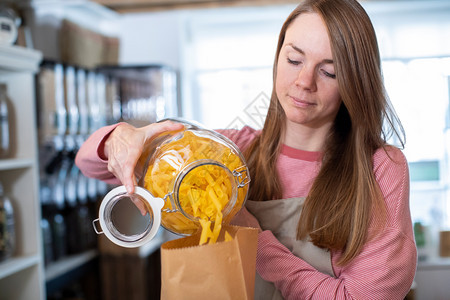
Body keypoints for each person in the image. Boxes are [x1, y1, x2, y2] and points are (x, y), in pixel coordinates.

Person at [75, 0, 417, 298]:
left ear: (356, 81)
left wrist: (253, 237)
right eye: (294, 61)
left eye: (329, 72)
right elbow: (90, 164)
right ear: (278, 57)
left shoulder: (381, 168)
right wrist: (121, 137)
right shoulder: (227, 153)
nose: (304, 82)